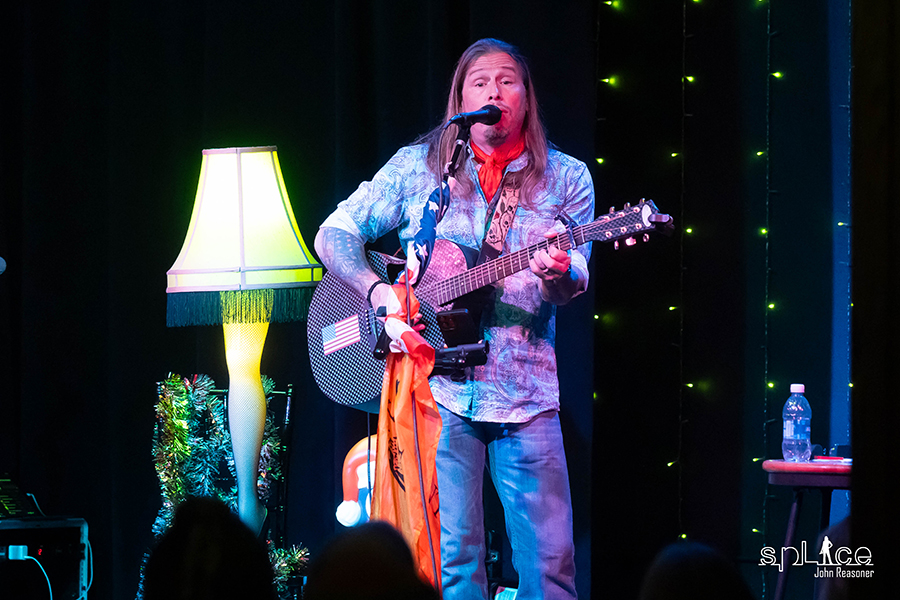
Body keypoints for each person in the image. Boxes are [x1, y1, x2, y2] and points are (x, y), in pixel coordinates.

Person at [315, 38, 594, 600]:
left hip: (527, 398)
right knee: (452, 566)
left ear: (527, 96)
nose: (495, 91)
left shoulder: (567, 177)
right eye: (480, 81)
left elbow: (575, 282)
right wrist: (375, 289)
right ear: (461, 99)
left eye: (508, 80)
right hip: (437, 396)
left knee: (549, 568)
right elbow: (333, 231)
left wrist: (557, 273)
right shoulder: (421, 168)